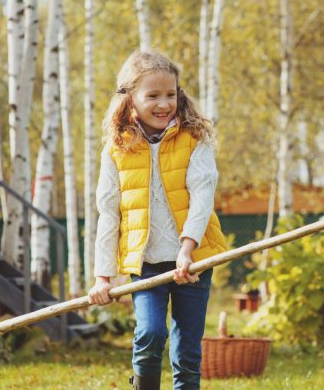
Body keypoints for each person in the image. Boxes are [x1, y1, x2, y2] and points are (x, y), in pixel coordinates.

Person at [87, 50, 227, 390]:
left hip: (193, 258)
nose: (164, 104)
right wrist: (103, 277)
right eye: (153, 95)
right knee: (150, 333)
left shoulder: (194, 139)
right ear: (130, 99)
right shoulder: (117, 150)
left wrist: (187, 250)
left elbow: (201, 199)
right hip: (146, 261)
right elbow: (109, 213)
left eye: (171, 94)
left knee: (187, 349)